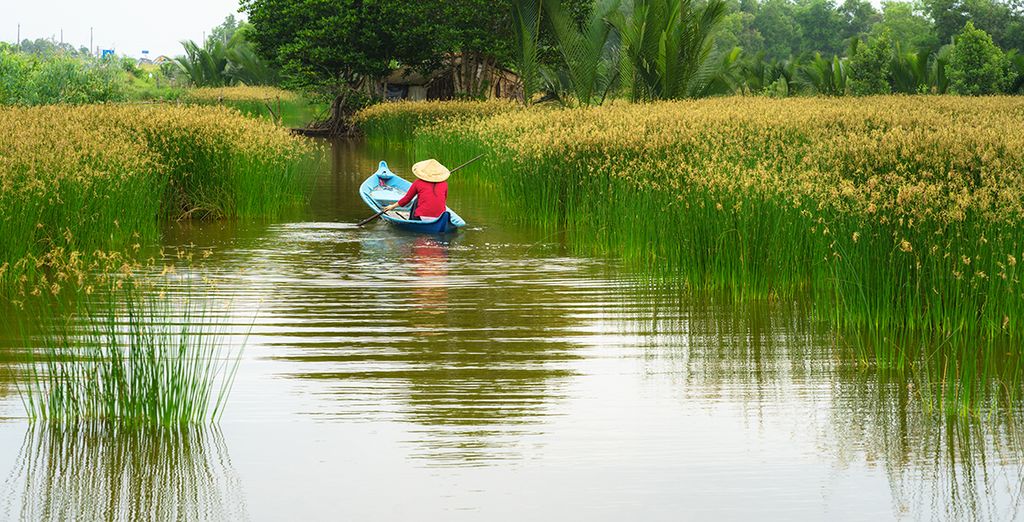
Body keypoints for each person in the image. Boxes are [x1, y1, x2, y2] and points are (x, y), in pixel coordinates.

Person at [382, 159, 450, 220]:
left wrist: (392, 206)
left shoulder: (418, 183)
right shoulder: (444, 184)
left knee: (416, 200)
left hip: (421, 216)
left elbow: (407, 199)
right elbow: (444, 199)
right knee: (418, 199)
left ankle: (411, 220)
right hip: (440, 217)